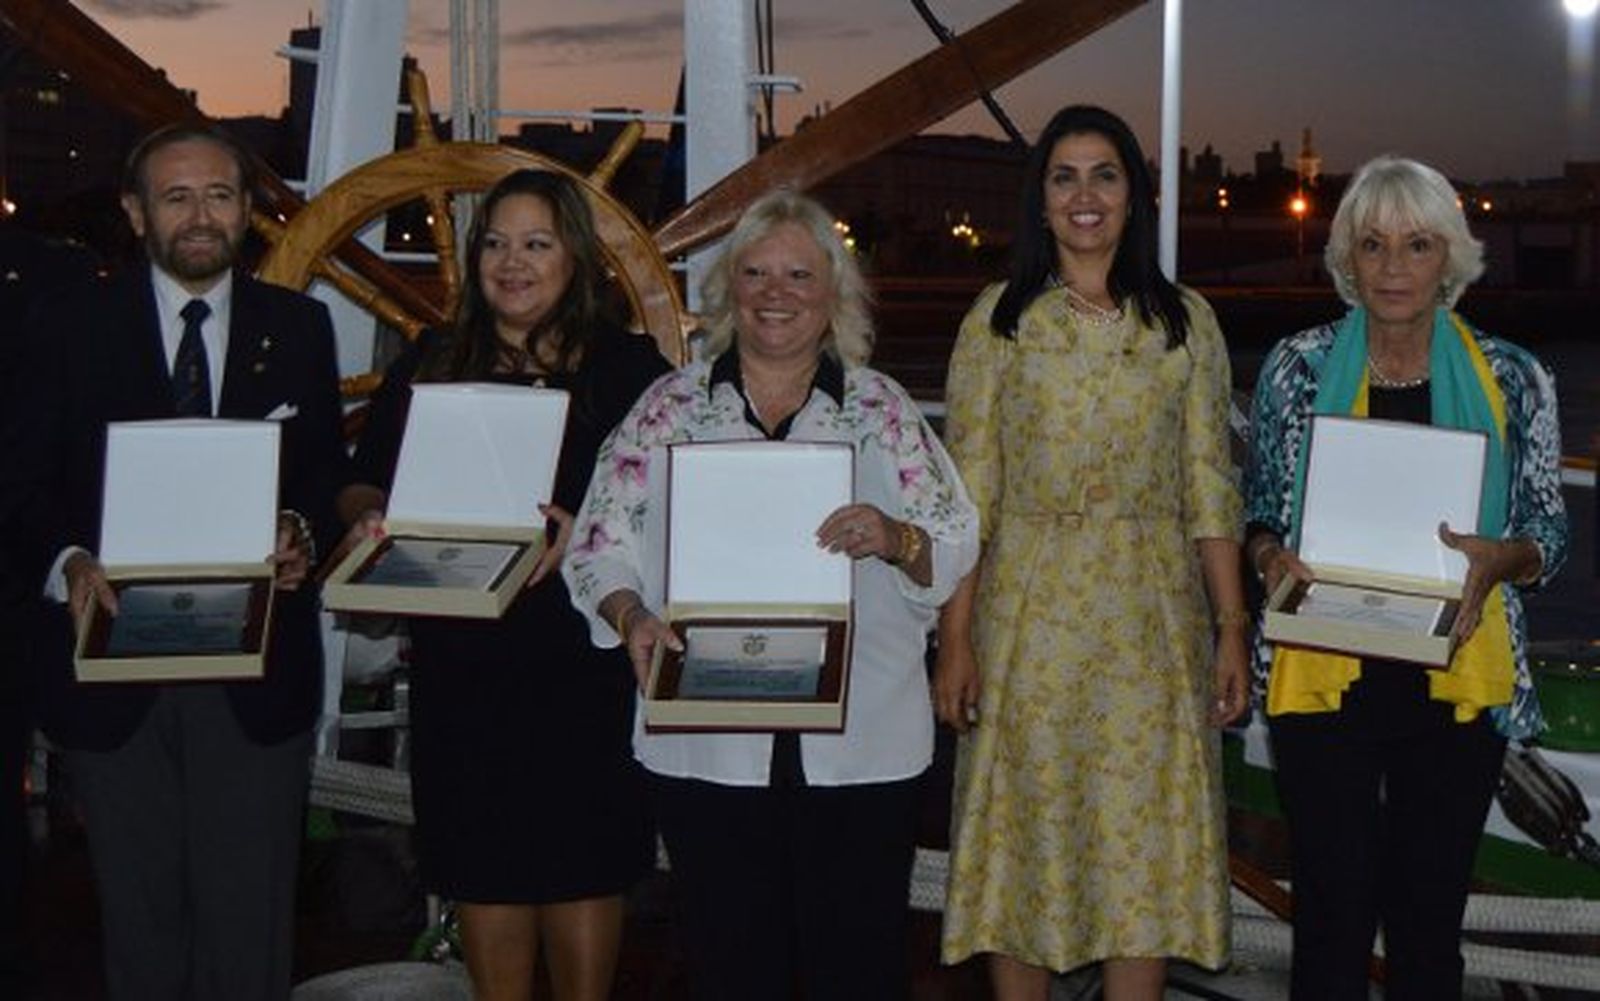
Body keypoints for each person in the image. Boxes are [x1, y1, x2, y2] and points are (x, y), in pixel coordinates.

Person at [564, 189, 979, 1001]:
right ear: (729, 290)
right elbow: (597, 544)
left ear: (835, 294)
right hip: (707, 747)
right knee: (729, 966)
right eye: (754, 272)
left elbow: (956, 536)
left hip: (862, 749)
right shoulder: (669, 409)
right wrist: (631, 614)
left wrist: (896, 538)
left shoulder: (882, 409)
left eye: (798, 273)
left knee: (856, 970)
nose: (775, 291)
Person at [5, 123, 348, 1001]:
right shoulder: (61, 327)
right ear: (135, 212)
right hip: (113, 673)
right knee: (140, 930)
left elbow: (320, 475)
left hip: (255, 673)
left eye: (221, 195)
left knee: (250, 935)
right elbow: (20, 486)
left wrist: (302, 533)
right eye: (177, 196)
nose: (202, 216)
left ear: (248, 212)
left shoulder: (301, 329)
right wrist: (70, 562)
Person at [934, 104, 1248, 1001]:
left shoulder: (1186, 325)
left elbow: (1209, 489)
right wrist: (956, 639)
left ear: (1133, 195)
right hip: (1028, 620)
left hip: (1151, 624)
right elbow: (971, 497)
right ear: (1039, 200)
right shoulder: (997, 323)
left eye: (1104, 174)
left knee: (1138, 840)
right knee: (1023, 831)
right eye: (1064, 175)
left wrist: (1230, 628)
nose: (1084, 194)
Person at [336, 168, 666, 1001]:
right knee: (483, 865)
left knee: (584, 861)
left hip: (580, 661)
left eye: (536, 243)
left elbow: (672, 502)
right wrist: (372, 517)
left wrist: (585, 525)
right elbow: (362, 479)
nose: (511, 262)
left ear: (578, 261)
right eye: (495, 242)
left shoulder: (628, 371)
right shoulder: (432, 359)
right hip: (464, 664)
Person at [1242, 155, 1567, 999]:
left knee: (1429, 933)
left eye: (1417, 244)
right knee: (1329, 927)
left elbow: (1548, 535)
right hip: (1323, 680)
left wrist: (1505, 559)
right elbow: (1262, 515)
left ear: (1450, 258)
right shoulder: (1296, 367)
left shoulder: (1514, 376)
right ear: (1346, 258)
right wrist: (1269, 556)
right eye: (1374, 244)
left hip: (1458, 683)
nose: (1393, 266)